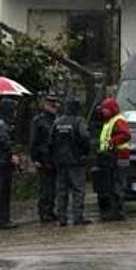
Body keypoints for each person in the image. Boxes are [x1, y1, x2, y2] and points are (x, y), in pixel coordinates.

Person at [50, 97, 91, 226]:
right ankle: (78, 217)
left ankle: (62, 218)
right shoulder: (79, 122)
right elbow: (85, 138)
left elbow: (50, 141)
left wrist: (54, 157)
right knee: (78, 189)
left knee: (61, 190)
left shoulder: (57, 122)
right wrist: (84, 153)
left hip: (60, 162)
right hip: (75, 161)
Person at [96, 97, 131, 222]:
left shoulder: (118, 120)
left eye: (105, 110)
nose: (103, 112)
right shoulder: (109, 121)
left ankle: (118, 212)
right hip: (112, 157)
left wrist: (112, 141)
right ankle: (114, 211)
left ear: (111, 109)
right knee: (112, 185)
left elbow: (126, 135)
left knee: (118, 185)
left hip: (120, 157)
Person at [29, 95, 59, 223]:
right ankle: (44, 211)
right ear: (45, 105)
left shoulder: (57, 119)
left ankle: (50, 210)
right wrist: (35, 158)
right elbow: (34, 141)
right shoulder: (39, 121)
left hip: (54, 158)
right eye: (51, 104)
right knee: (45, 187)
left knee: (53, 187)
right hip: (43, 158)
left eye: (55, 103)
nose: (54, 106)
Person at [0, 98, 20, 229]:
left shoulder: (3, 124)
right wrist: (12, 154)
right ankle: (3, 220)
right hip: (2, 162)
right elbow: (5, 141)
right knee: (3, 191)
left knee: (5, 192)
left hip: (2, 161)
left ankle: (5, 218)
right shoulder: (2, 125)